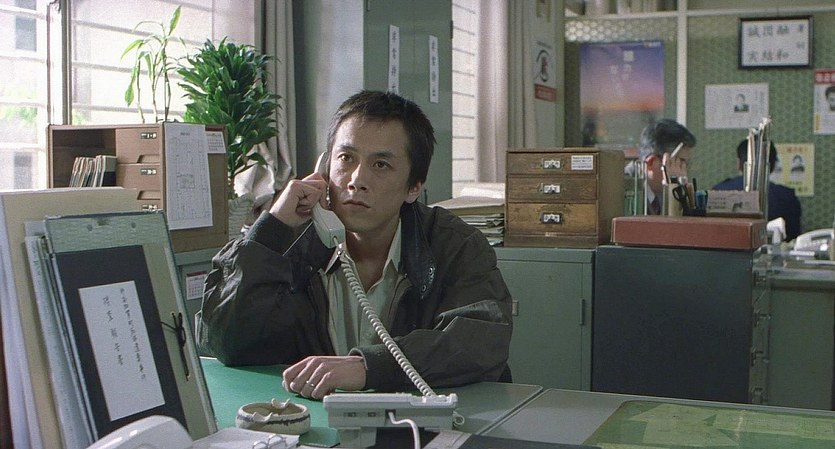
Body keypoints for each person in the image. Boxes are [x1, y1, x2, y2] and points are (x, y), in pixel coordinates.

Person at [197, 90, 513, 400]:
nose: (357, 180)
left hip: (426, 421)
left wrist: (368, 367)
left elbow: (481, 341)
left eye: (381, 165)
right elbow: (222, 342)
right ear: (324, 169)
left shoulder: (454, 244)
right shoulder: (288, 241)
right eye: (346, 159)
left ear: (414, 187)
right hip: (314, 422)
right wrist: (270, 229)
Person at [712, 140, 802, 241]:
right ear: (772, 166)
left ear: (739, 164)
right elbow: (794, 240)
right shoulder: (787, 197)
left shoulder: (718, 191)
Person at [637, 119, 697, 215]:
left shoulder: (659, 193)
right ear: (651, 163)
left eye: (687, 164)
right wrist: (673, 185)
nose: (684, 171)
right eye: (680, 163)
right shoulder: (624, 191)